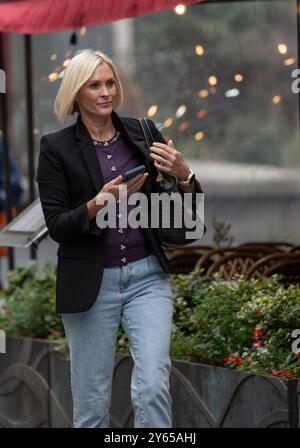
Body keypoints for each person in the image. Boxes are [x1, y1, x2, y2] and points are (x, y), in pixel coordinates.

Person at [36, 49, 204, 428]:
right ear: (76, 93)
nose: (105, 92)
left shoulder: (143, 133)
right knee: (93, 402)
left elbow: (187, 216)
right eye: (94, 85)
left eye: (110, 83)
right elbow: (58, 226)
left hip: (148, 278)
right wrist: (99, 203)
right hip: (93, 284)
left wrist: (185, 174)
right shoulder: (56, 148)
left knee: (153, 387)